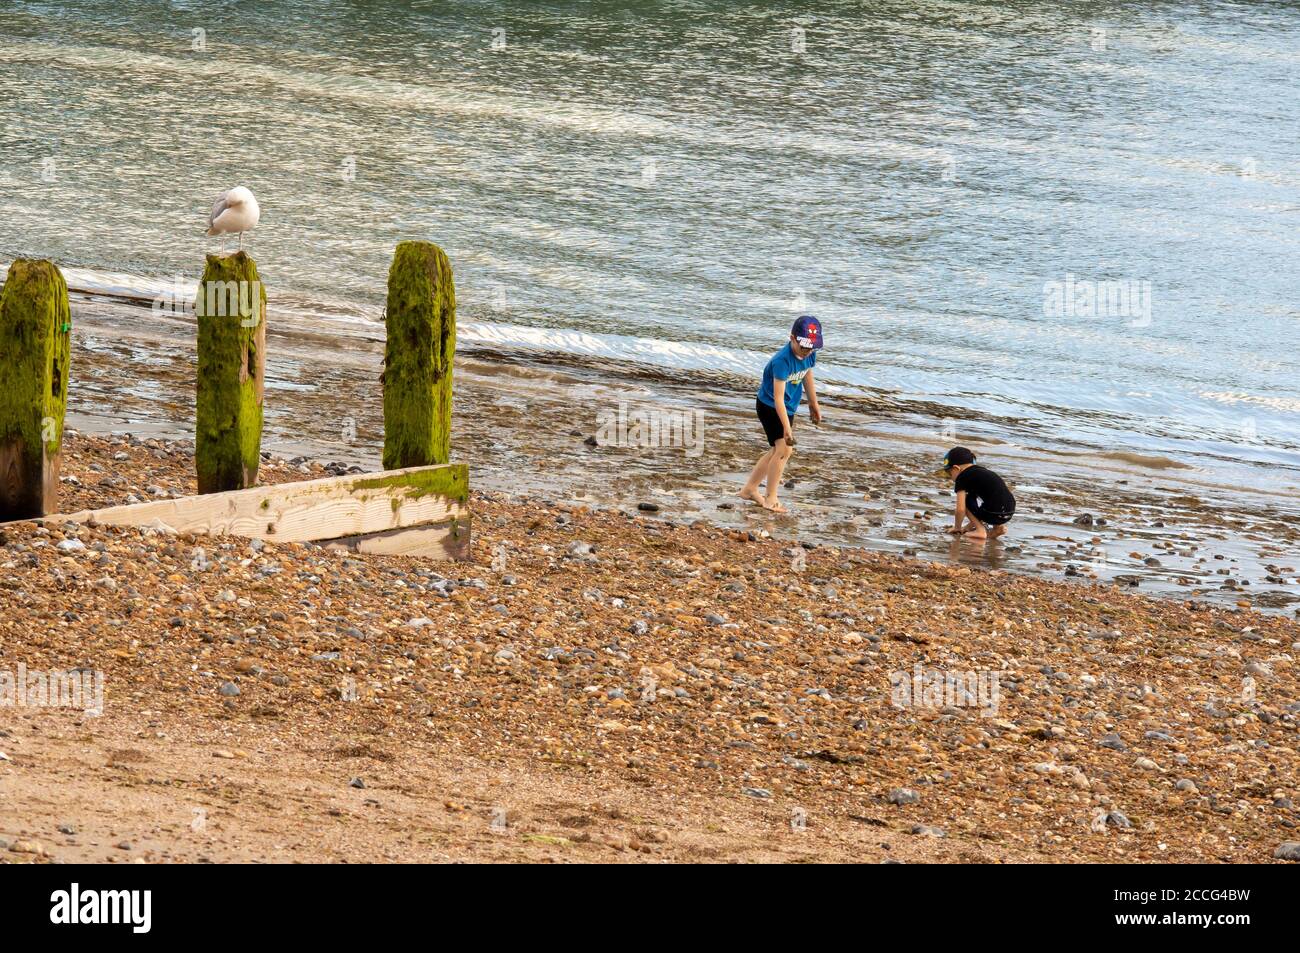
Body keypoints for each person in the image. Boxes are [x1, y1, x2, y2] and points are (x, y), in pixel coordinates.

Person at [741, 315, 824, 513]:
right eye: (803, 346)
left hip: (788, 407)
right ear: (792, 338)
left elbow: (807, 374)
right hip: (770, 406)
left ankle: (750, 489)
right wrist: (787, 428)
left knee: (777, 450)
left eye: (811, 347)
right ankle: (771, 497)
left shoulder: (809, 354)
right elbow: (778, 397)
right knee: (784, 450)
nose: (807, 352)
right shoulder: (782, 361)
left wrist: (814, 404)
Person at [941, 447, 1015, 539]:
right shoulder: (981, 472)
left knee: (966, 500)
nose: (951, 478)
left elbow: (960, 509)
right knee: (984, 499)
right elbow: (993, 497)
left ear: (956, 468)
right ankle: (998, 528)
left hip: (994, 512)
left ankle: (980, 531)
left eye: (950, 474)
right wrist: (967, 528)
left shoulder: (962, 477)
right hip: (1009, 511)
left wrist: (957, 528)